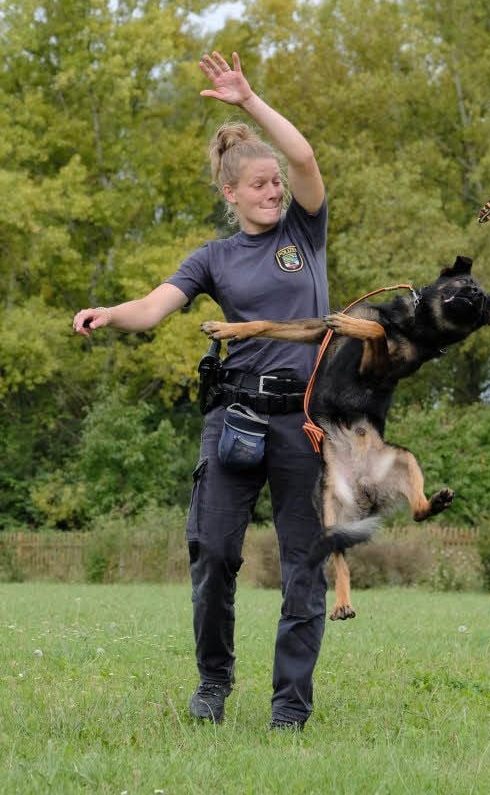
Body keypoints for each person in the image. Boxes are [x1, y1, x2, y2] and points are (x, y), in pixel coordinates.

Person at [73, 51, 329, 730]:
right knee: (214, 552)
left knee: (304, 565)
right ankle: (213, 683)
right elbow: (155, 308)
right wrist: (108, 313)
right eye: (261, 185)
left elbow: (303, 158)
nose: (275, 191)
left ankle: (289, 709)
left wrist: (248, 101)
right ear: (231, 195)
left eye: (276, 183)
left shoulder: (304, 232)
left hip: (302, 422)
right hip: (234, 418)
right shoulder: (212, 258)